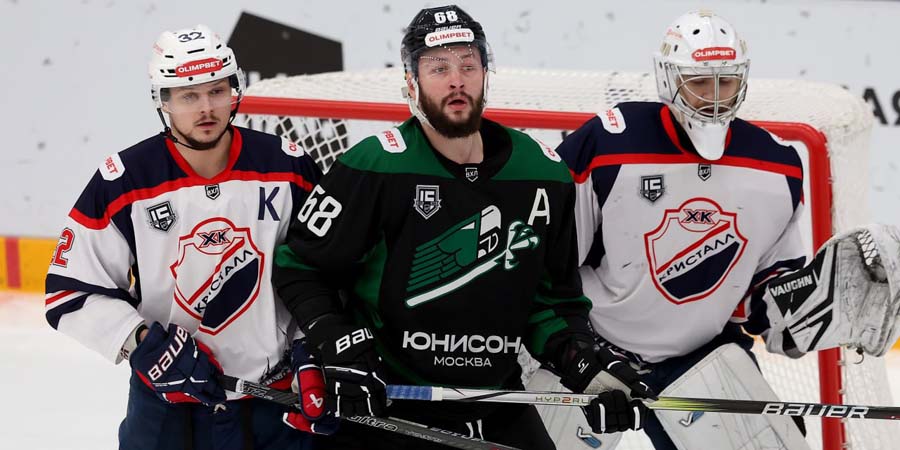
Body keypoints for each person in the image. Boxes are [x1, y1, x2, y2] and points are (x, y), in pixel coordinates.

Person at [272, 4, 655, 450]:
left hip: (495, 401)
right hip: (388, 399)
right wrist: (342, 347)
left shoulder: (543, 173)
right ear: (412, 83)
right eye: (439, 68)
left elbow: (553, 303)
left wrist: (585, 364)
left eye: (468, 65)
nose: (456, 80)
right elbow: (300, 267)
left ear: (485, 75)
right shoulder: (375, 166)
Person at [539, 10, 900, 450]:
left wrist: (814, 308)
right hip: (597, 351)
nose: (712, 97)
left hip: (702, 356)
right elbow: (551, 262)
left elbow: (765, 293)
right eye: (699, 82)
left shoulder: (776, 166)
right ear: (669, 78)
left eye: (724, 81)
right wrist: (573, 351)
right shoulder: (610, 144)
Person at [44, 24, 334, 450]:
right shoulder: (125, 181)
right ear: (162, 101)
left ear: (235, 91)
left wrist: (315, 348)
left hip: (273, 404)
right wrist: (143, 344)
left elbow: (327, 271)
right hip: (166, 407)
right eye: (188, 96)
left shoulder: (287, 167)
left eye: (217, 91)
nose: (206, 108)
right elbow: (69, 292)